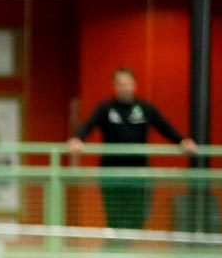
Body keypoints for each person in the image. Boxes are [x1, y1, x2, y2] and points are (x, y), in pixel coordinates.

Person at [68, 68, 196, 236]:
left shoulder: (145, 108)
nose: (125, 88)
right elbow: (87, 126)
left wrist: (182, 141)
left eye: (128, 84)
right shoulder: (105, 108)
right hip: (111, 172)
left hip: (139, 172)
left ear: (134, 85)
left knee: (137, 215)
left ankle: (125, 243)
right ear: (115, 86)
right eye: (121, 84)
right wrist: (77, 138)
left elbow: (164, 126)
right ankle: (115, 254)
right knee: (115, 217)